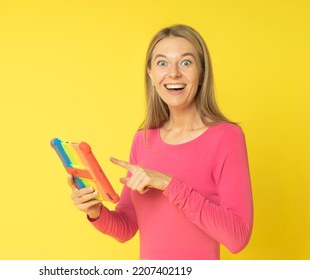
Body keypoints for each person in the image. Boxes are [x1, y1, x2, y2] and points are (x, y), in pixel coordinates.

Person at [68, 24, 253, 260]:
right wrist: (95, 211)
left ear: (202, 73)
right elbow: (126, 227)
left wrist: (168, 183)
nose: (173, 73)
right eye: (162, 63)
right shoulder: (144, 139)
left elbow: (237, 238)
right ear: (151, 74)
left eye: (186, 63)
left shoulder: (226, 137)